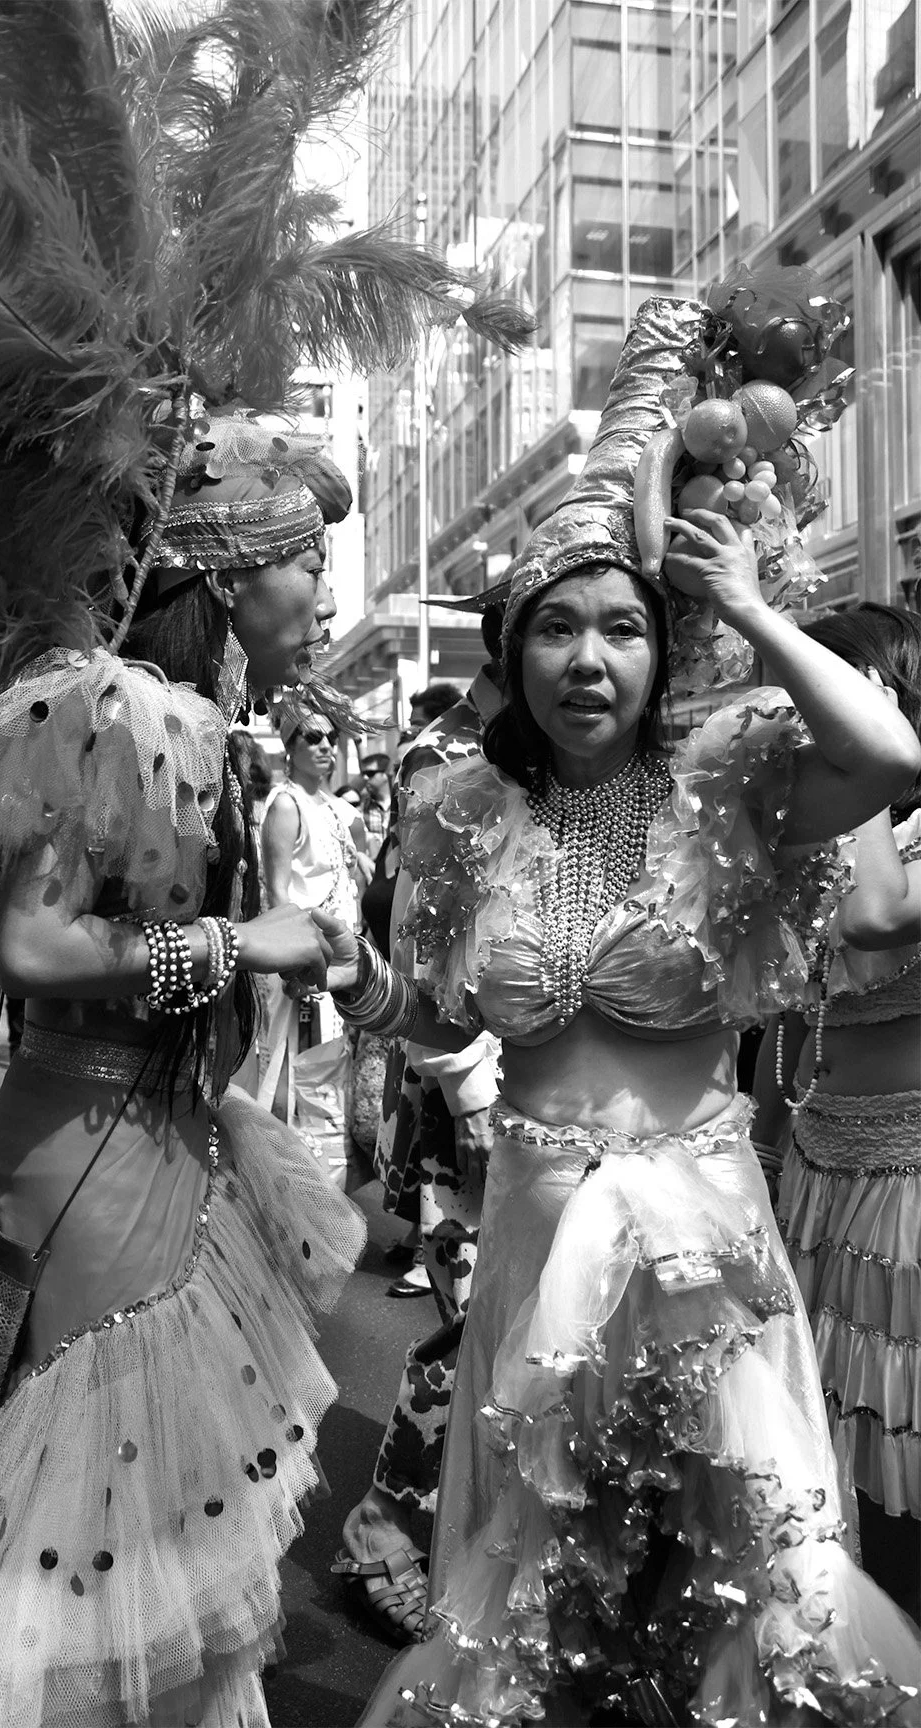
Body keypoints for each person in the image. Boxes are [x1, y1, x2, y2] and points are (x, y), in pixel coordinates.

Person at [0, 3, 538, 1718]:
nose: (318, 595)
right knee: (104, 1551)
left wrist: (328, 950)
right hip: (88, 1157)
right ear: (226, 571)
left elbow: (301, 955)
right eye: (296, 565)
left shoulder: (210, 727)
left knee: (168, 1553)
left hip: (172, 1139)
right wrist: (245, 946)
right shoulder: (107, 708)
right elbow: (34, 952)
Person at [320, 285, 921, 1724]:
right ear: (510, 659)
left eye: (620, 631)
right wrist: (358, 982)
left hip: (701, 1238)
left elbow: (893, 755)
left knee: (748, 1577)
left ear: (659, 652)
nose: (588, 660)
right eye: (555, 632)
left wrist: (755, 613)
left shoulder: (734, 783)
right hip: (531, 1230)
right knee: (545, 1589)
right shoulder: (458, 815)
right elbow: (439, 1025)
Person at [336, 598, 506, 1644]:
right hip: (468, 1098)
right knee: (471, 1325)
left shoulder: (584, 752)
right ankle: (386, 1535)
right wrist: (463, 1084)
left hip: (565, 1094)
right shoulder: (443, 758)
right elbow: (415, 951)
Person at [755, 602, 921, 1622]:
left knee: (903, 1450)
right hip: (817, 1169)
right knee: (828, 1457)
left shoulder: (878, 841)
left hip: (911, 1184)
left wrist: (854, 774)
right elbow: (779, 1014)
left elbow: (875, 918)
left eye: (843, 692)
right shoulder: (812, 835)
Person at [257, 713, 362, 1178]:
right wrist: (295, 961)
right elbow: (277, 894)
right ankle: (293, 1188)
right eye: (313, 737)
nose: (325, 746)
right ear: (289, 747)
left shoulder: (338, 809)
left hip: (342, 964)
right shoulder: (286, 804)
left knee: (331, 1079)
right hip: (303, 967)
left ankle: (328, 1193)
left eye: (331, 738)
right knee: (295, 1079)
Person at [359, 750, 394, 857]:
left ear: (386, 774)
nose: (365, 778)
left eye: (370, 774)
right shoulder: (362, 807)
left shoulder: (400, 804)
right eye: (363, 774)